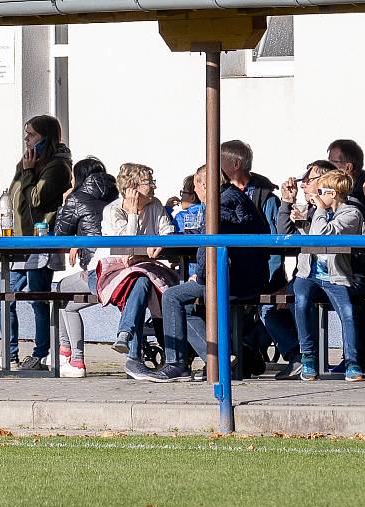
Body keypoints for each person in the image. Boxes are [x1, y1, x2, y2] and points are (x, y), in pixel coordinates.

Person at [138, 165, 270, 382]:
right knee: (188, 303)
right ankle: (235, 356)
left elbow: (208, 242)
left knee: (172, 297)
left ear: (204, 184)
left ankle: (181, 364)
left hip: (232, 279)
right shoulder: (236, 197)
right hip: (251, 276)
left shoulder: (218, 204)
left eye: (196, 185)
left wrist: (200, 276)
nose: (195, 191)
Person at [0, 114, 72, 372]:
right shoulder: (26, 163)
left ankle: (41, 354)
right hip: (17, 242)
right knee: (2, 295)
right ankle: (9, 354)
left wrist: (27, 173)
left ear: (45, 137)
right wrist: (24, 170)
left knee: (38, 298)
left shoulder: (57, 167)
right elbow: (15, 197)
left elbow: (36, 199)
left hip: (39, 241)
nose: (26, 140)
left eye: (31, 135)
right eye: (26, 134)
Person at [91, 163, 178, 380]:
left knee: (144, 281)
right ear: (133, 187)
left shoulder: (155, 205)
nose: (155, 187)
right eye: (149, 182)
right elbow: (125, 246)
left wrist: (162, 242)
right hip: (113, 271)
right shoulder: (113, 211)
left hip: (144, 269)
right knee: (140, 282)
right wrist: (132, 213)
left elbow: (168, 231)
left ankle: (126, 336)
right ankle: (139, 358)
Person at [265, 159, 338, 379]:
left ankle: (309, 357)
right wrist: (287, 202)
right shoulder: (311, 210)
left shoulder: (341, 208)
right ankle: (298, 356)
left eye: (308, 180)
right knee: (268, 304)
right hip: (305, 276)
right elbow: (284, 237)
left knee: (298, 297)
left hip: (334, 276)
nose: (303, 185)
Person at [293, 170, 365, 382]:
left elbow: (323, 234)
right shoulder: (319, 212)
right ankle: (308, 357)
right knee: (301, 301)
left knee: (347, 312)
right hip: (308, 273)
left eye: (321, 191)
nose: (316, 195)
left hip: (336, 275)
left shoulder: (351, 214)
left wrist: (319, 211)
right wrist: (300, 223)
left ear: (333, 194)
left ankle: (352, 362)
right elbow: (310, 236)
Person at [52, 157, 119, 378]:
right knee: (64, 295)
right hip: (118, 266)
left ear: (79, 177)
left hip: (96, 269)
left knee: (61, 292)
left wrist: (65, 203)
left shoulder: (76, 198)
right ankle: (66, 353)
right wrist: (78, 242)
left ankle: (73, 358)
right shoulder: (115, 195)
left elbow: (59, 235)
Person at [220, 140, 281, 288]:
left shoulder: (267, 199)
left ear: (236, 164)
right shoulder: (218, 194)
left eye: (219, 161)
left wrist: (273, 284)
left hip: (257, 273)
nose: (215, 167)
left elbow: (275, 243)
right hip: (228, 272)